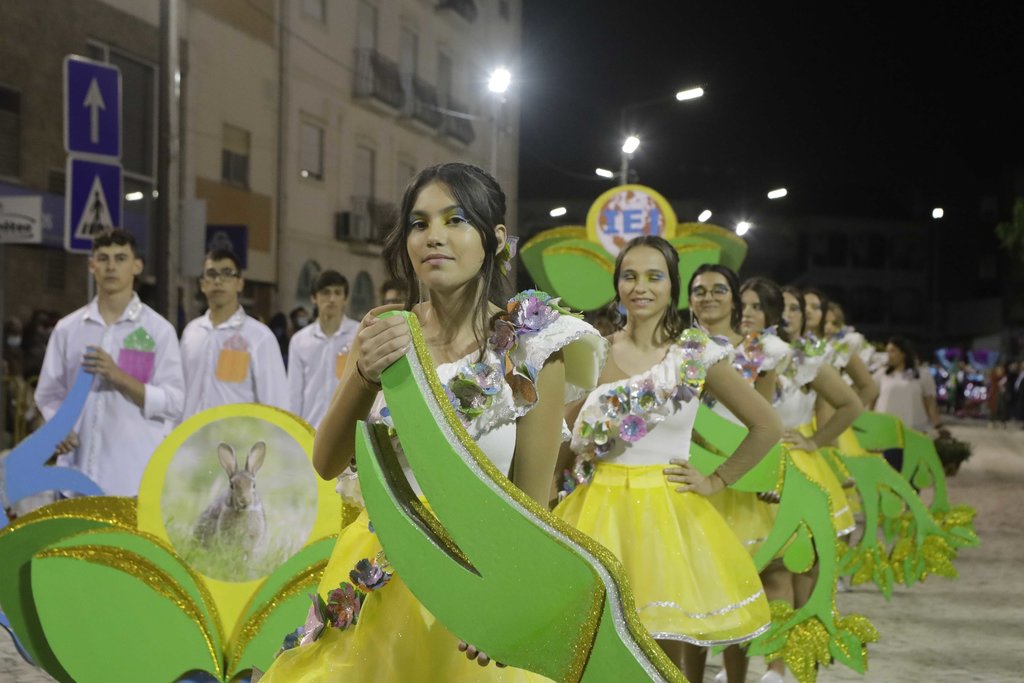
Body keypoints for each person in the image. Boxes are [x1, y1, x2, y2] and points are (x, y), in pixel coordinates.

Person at [262, 162, 606, 681]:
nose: (434, 238)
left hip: (473, 585)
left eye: (455, 220)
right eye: (419, 224)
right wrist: (363, 373)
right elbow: (328, 461)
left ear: (494, 238)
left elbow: (533, 501)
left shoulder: (536, 346)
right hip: (377, 578)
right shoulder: (383, 331)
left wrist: (508, 605)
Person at [555, 242, 781, 683]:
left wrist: (718, 480)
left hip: (667, 513)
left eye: (654, 276)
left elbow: (767, 426)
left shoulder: (695, 354)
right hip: (594, 510)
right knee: (593, 641)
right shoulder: (591, 350)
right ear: (617, 285)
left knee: (661, 648)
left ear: (672, 286)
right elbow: (562, 435)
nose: (640, 287)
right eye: (629, 276)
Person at [33, 229, 184, 496]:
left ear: (137, 266)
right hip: (73, 480)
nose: (111, 266)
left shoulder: (158, 330)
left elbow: (174, 401)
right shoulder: (68, 329)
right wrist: (59, 425)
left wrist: (119, 377)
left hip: (132, 482)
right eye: (103, 258)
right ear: (92, 266)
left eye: (121, 258)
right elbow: (48, 393)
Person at [179, 248, 289, 418]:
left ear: (239, 283)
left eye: (227, 274)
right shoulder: (191, 333)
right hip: (192, 440)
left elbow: (276, 401)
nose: (218, 281)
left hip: (239, 441)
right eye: (211, 274)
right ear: (202, 285)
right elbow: (181, 391)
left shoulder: (259, 337)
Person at [287, 270, 359, 428]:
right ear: (314, 298)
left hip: (348, 428)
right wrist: (293, 428)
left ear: (345, 298)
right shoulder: (299, 341)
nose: (331, 299)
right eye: (325, 293)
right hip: (310, 427)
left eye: (337, 293)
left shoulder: (359, 335)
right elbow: (294, 393)